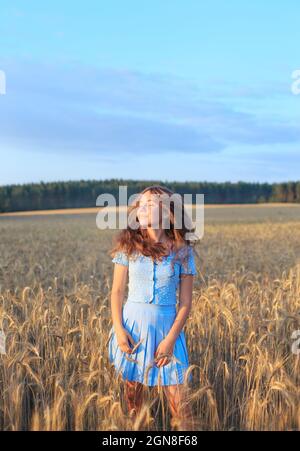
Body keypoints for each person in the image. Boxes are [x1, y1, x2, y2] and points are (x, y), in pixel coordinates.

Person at [107, 184, 199, 430]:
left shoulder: (182, 251)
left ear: (168, 213)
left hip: (169, 331)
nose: (143, 207)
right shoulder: (129, 246)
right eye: (141, 203)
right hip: (133, 330)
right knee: (135, 409)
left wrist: (170, 340)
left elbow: (186, 303)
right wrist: (118, 330)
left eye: (150, 203)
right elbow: (116, 292)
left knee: (183, 412)